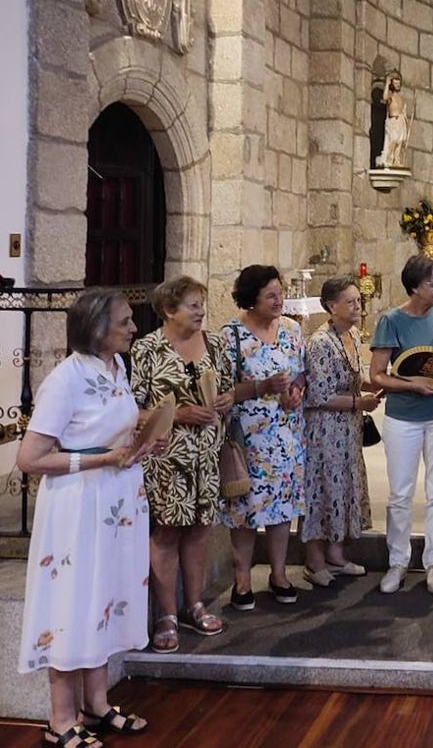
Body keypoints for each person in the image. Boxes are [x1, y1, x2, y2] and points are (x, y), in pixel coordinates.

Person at [18, 290, 155, 745]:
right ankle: (60, 719)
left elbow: (111, 430)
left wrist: (142, 441)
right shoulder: (66, 379)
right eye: (125, 322)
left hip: (116, 503)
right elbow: (31, 458)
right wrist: (102, 461)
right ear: (97, 329)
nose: (134, 328)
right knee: (72, 601)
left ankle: (97, 705)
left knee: (102, 595)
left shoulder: (117, 367)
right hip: (78, 505)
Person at [131, 277, 235, 654]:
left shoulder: (217, 345)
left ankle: (195, 604)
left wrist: (224, 400)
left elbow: (228, 388)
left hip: (207, 455)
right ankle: (166, 614)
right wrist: (177, 414)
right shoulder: (148, 349)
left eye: (201, 303)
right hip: (166, 457)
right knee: (167, 533)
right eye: (192, 305)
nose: (200, 311)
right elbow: (132, 408)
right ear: (168, 310)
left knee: (200, 531)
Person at [369, 255, 433, 595]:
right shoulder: (391, 320)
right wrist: (412, 385)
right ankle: (398, 561)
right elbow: (376, 374)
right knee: (400, 492)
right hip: (403, 416)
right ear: (414, 287)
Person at [221, 265, 307, 610]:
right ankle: (242, 579)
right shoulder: (232, 336)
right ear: (251, 298)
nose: (279, 300)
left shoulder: (291, 330)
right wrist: (261, 387)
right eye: (271, 295)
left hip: (285, 432)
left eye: (281, 293)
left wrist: (295, 392)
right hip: (248, 437)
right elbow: (223, 390)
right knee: (244, 508)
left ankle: (279, 573)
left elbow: (299, 375)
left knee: (282, 505)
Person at [301, 276, 381, 587]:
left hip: (346, 430)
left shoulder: (350, 336)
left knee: (342, 490)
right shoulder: (321, 342)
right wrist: (358, 402)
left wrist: (372, 384)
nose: (358, 305)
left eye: (358, 300)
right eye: (350, 301)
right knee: (323, 491)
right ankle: (314, 561)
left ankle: (335, 554)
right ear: (331, 306)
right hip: (324, 432)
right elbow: (318, 395)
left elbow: (351, 376)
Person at [377, 72, 411, 168]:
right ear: (392, 84)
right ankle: (389, 159)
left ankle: (396, 160)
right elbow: (384, 97)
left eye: (399, 84)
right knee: (393, 140)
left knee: (399, 142)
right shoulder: (390, 96)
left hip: (400, 121)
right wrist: (387, 84)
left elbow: (403, 110)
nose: (397, 86)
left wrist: (406, 123)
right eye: (395, 84)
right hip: (393, 120)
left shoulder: (401, 98)